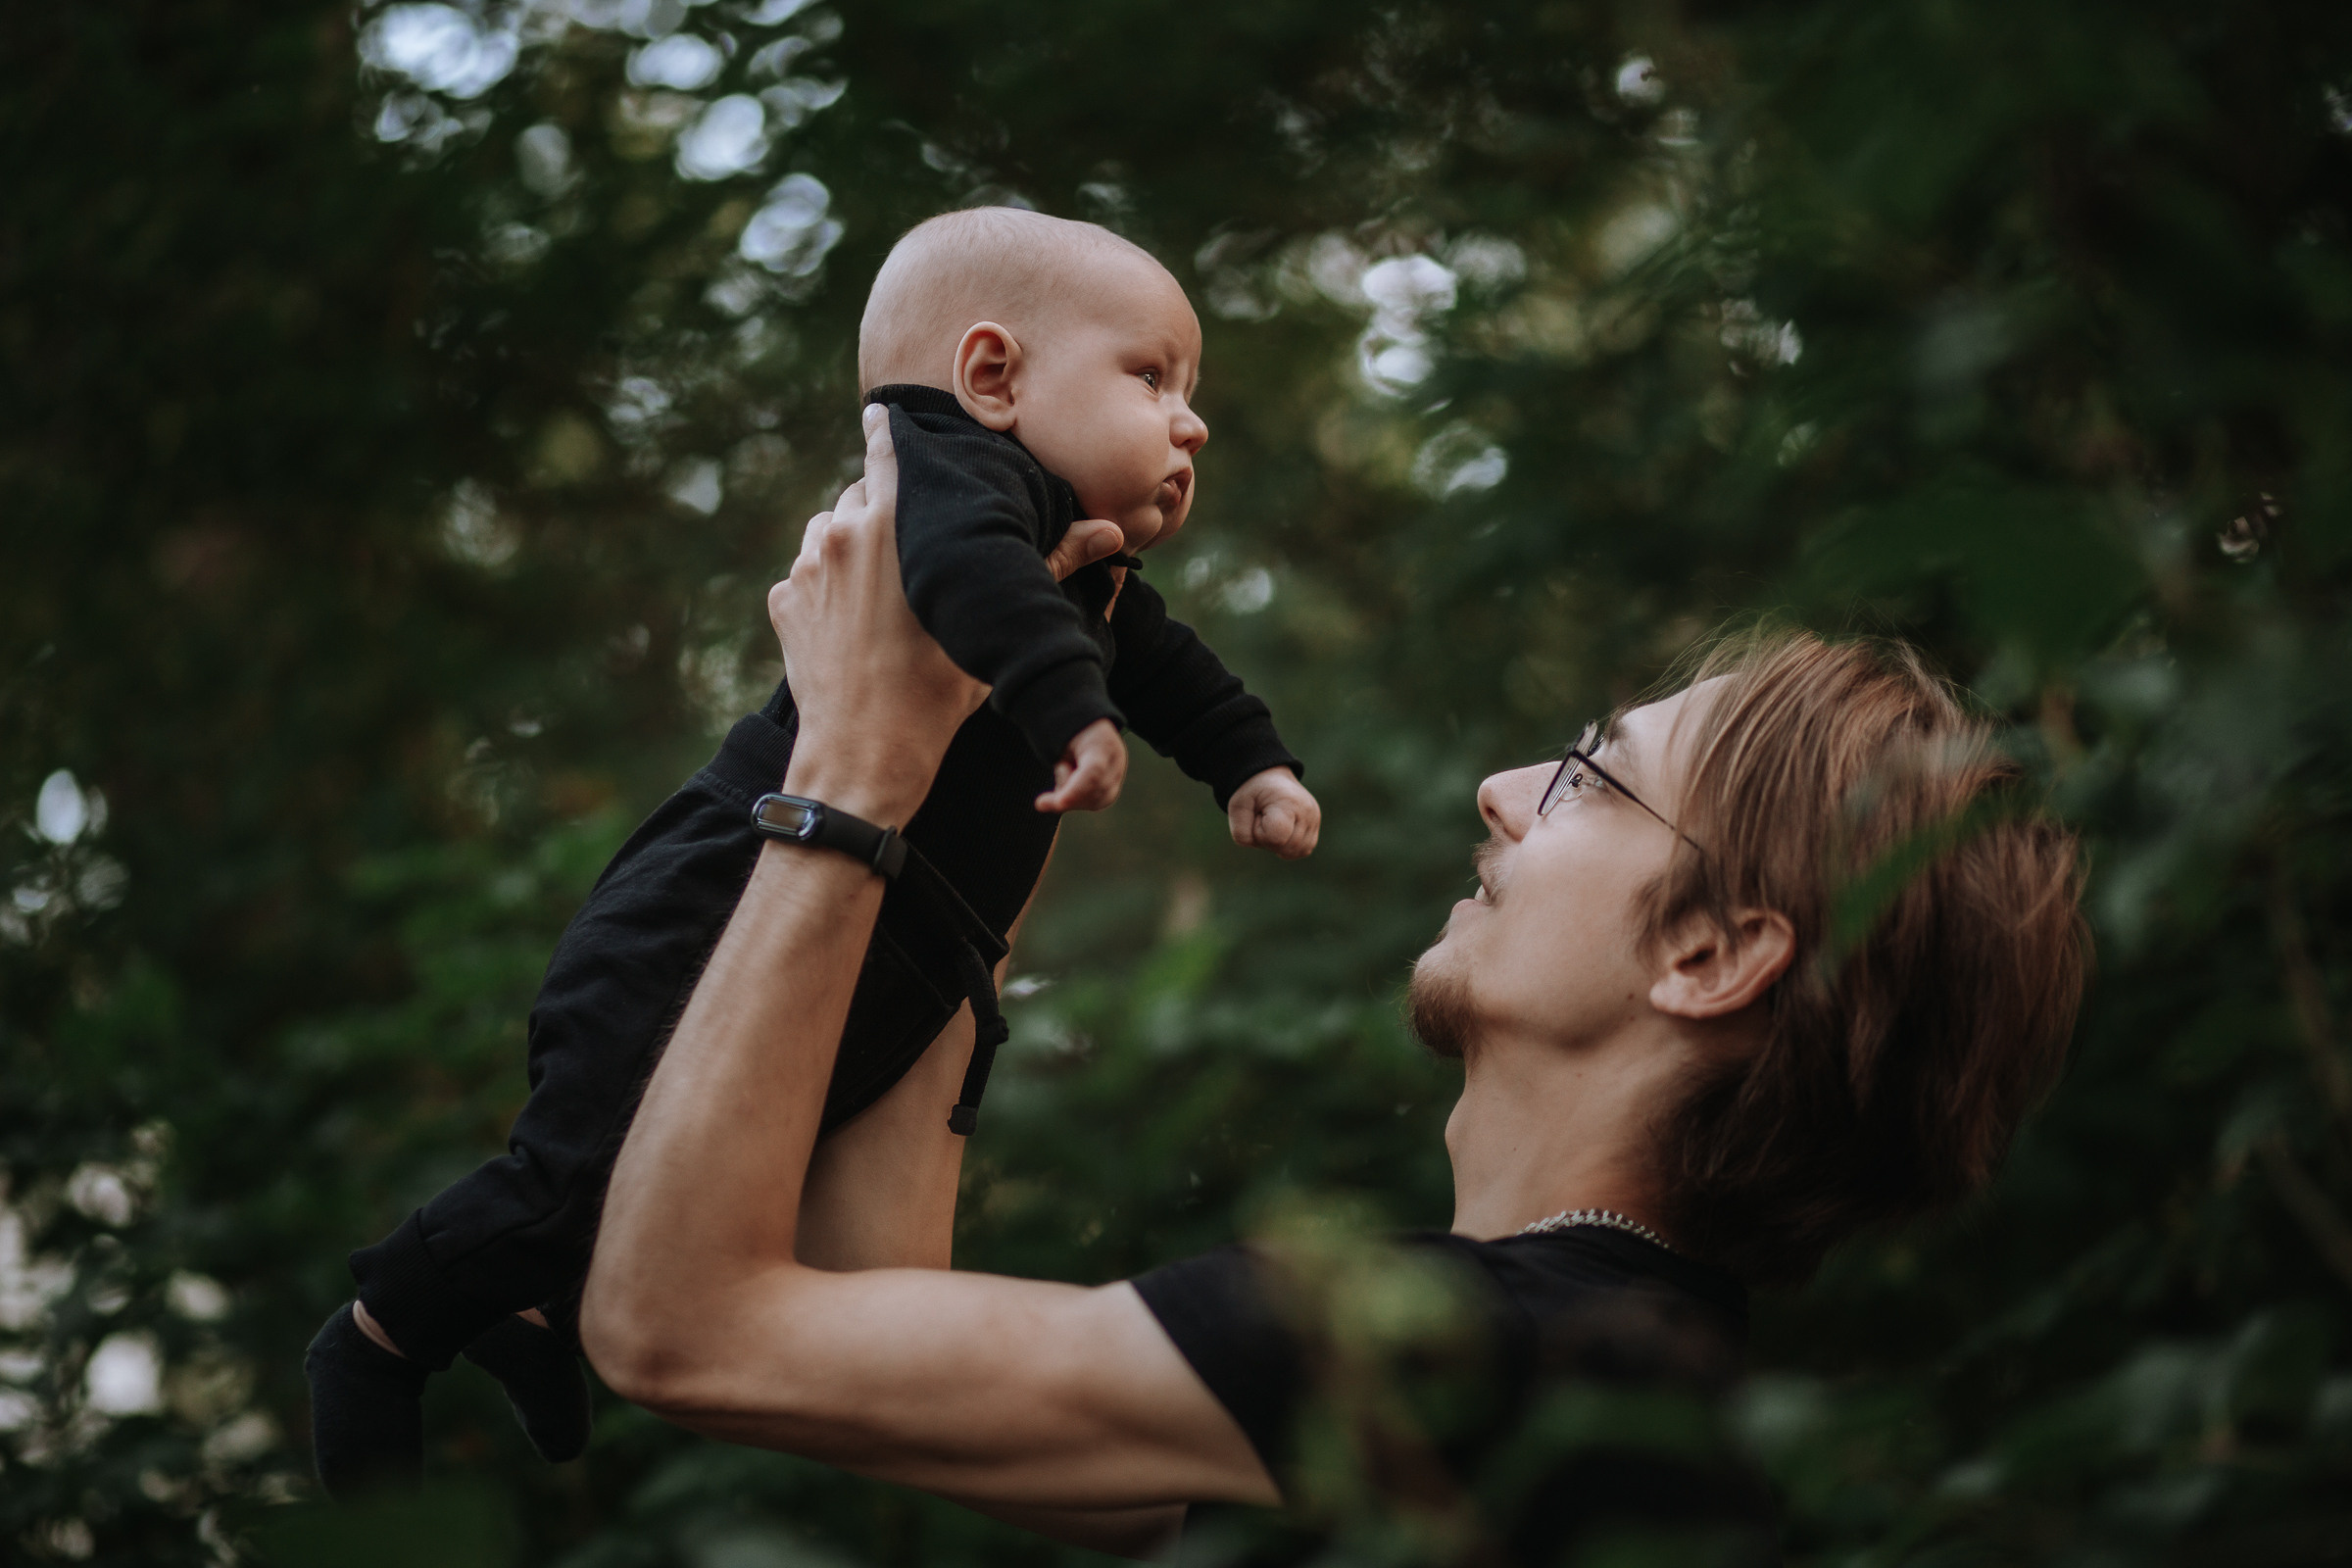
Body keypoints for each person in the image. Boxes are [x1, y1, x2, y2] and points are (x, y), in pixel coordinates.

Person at [577, 413, 2091, 1562]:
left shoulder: (1445, 1351)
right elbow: (861, 1322)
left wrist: (844, 768)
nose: (1503, 791)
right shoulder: (1605, 1380)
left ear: (1710, 955)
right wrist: (978, 790)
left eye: (1586, 780)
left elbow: (682, 1325)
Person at [304, 207, 1321, 1497]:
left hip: (887, 938)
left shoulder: (1083, 568)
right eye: (1153, 377)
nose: (1193, 425)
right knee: (579, 1168)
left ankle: (527, 1316)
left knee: (707, 1182)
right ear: (991, 378)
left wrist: (1253, 764)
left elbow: (1174, 672)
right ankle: (379, 1334)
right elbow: (975, 588)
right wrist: (1072, 711)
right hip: (714, 902)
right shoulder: (957, 489)